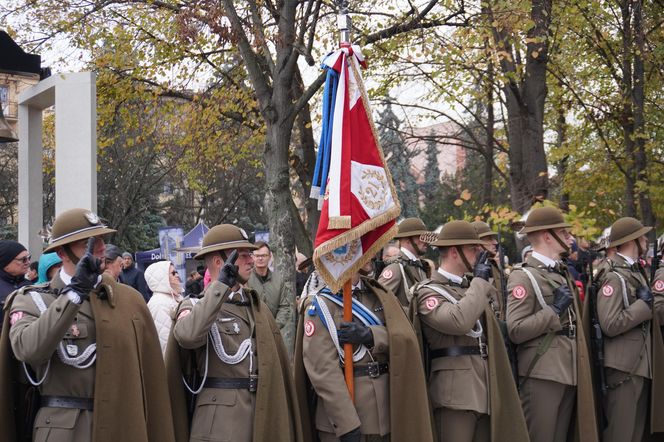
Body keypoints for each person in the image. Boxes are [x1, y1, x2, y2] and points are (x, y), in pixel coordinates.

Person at [0, 208, 175, 442]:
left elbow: (152, 383)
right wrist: (73, 295)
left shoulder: (129, 300)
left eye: (102, 239)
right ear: (63, 253)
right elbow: (28, 350)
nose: (101, 247)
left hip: (123, 427)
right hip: (65, 431)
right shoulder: (32, 300)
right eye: (87, 243)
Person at [166, 224, 302, 442]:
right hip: (219, 426)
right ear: (221, 262)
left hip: (261, 417)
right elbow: (188, 336)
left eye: (251, 254)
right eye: (243, 255)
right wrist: (220, 286)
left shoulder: (256, 306)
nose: (251, 259)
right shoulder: (193, 305)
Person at [412, 220, 528, 442]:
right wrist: (480, 281)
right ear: (455, 252)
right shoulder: (428, 292)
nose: (479, 253)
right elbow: (459, 321)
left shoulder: (469, 287)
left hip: (484, 387)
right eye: (473, 249)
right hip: (454, 395)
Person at [294, 262, 434, 442]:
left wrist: (372, 335)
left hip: (386, 413)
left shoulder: (379, 294)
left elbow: (404, 336)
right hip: (345, 418)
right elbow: (323, 371)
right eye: (362, 249)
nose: (371, 253)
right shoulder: (320, 304)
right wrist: (347, 424)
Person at [506, 206, 598, 442]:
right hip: (542, 372)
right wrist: (553, 310)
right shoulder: (523, 276)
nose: (571, 238)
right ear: (547, 236)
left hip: (568, 368)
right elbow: (516, 329)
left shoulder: (560, 271)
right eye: (564, 233)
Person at [595, 217, 664, 441]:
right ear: (631, 240)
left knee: (635, 434)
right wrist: (643, 307)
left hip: (638, 364)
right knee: (621, 434)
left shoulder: (631, 271)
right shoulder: (615, 277)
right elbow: (610, 323)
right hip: (624, 367)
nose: (645, 239)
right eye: (641, 236)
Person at [247, 241, 294, 354]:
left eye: (263, 255)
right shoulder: (246, 281)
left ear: (270, 256)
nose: (260, 258)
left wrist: (274, 327)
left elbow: (284, 306)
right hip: (250, 336)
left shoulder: (278, 281)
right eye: (257, 255)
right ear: (252, 257)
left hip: (273, 335)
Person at [378, 217, 431, 307]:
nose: (426, 241)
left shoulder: (421, 266)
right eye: (421, 237)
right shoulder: (395, 268)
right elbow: (380, 302)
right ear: (407, 240)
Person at [146, 260, 183, 356]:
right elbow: (165, 343)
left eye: (176, 272)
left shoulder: (173, 297)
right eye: (173, 273)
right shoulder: (159, 303)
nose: (177, 276)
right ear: (162, 278)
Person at [471, 220, 507, 319]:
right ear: (477, 243)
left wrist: (501, 267)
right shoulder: (467, 272)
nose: (495, 242)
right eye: (489, 239)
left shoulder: (493, 266)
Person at [0, 240, 30, 328]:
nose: (28, 262)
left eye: (28, 258)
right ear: (5, 263)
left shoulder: (30, 285)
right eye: (23, 259)